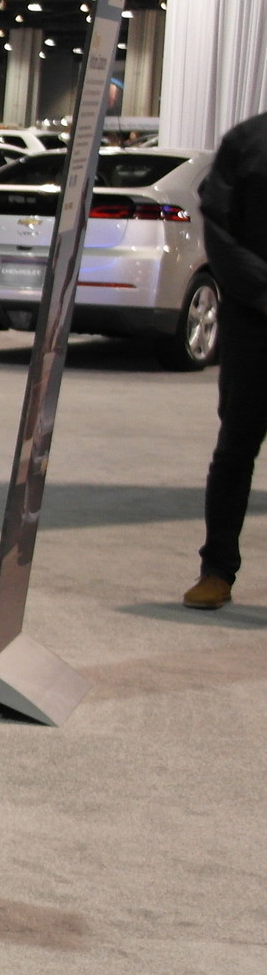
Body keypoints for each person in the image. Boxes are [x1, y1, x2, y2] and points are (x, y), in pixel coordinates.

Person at [187, 110, 267, 609]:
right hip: (255, 324)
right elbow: (218, 226)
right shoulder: (248, 142)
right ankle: (217, 570)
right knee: (236, 448)